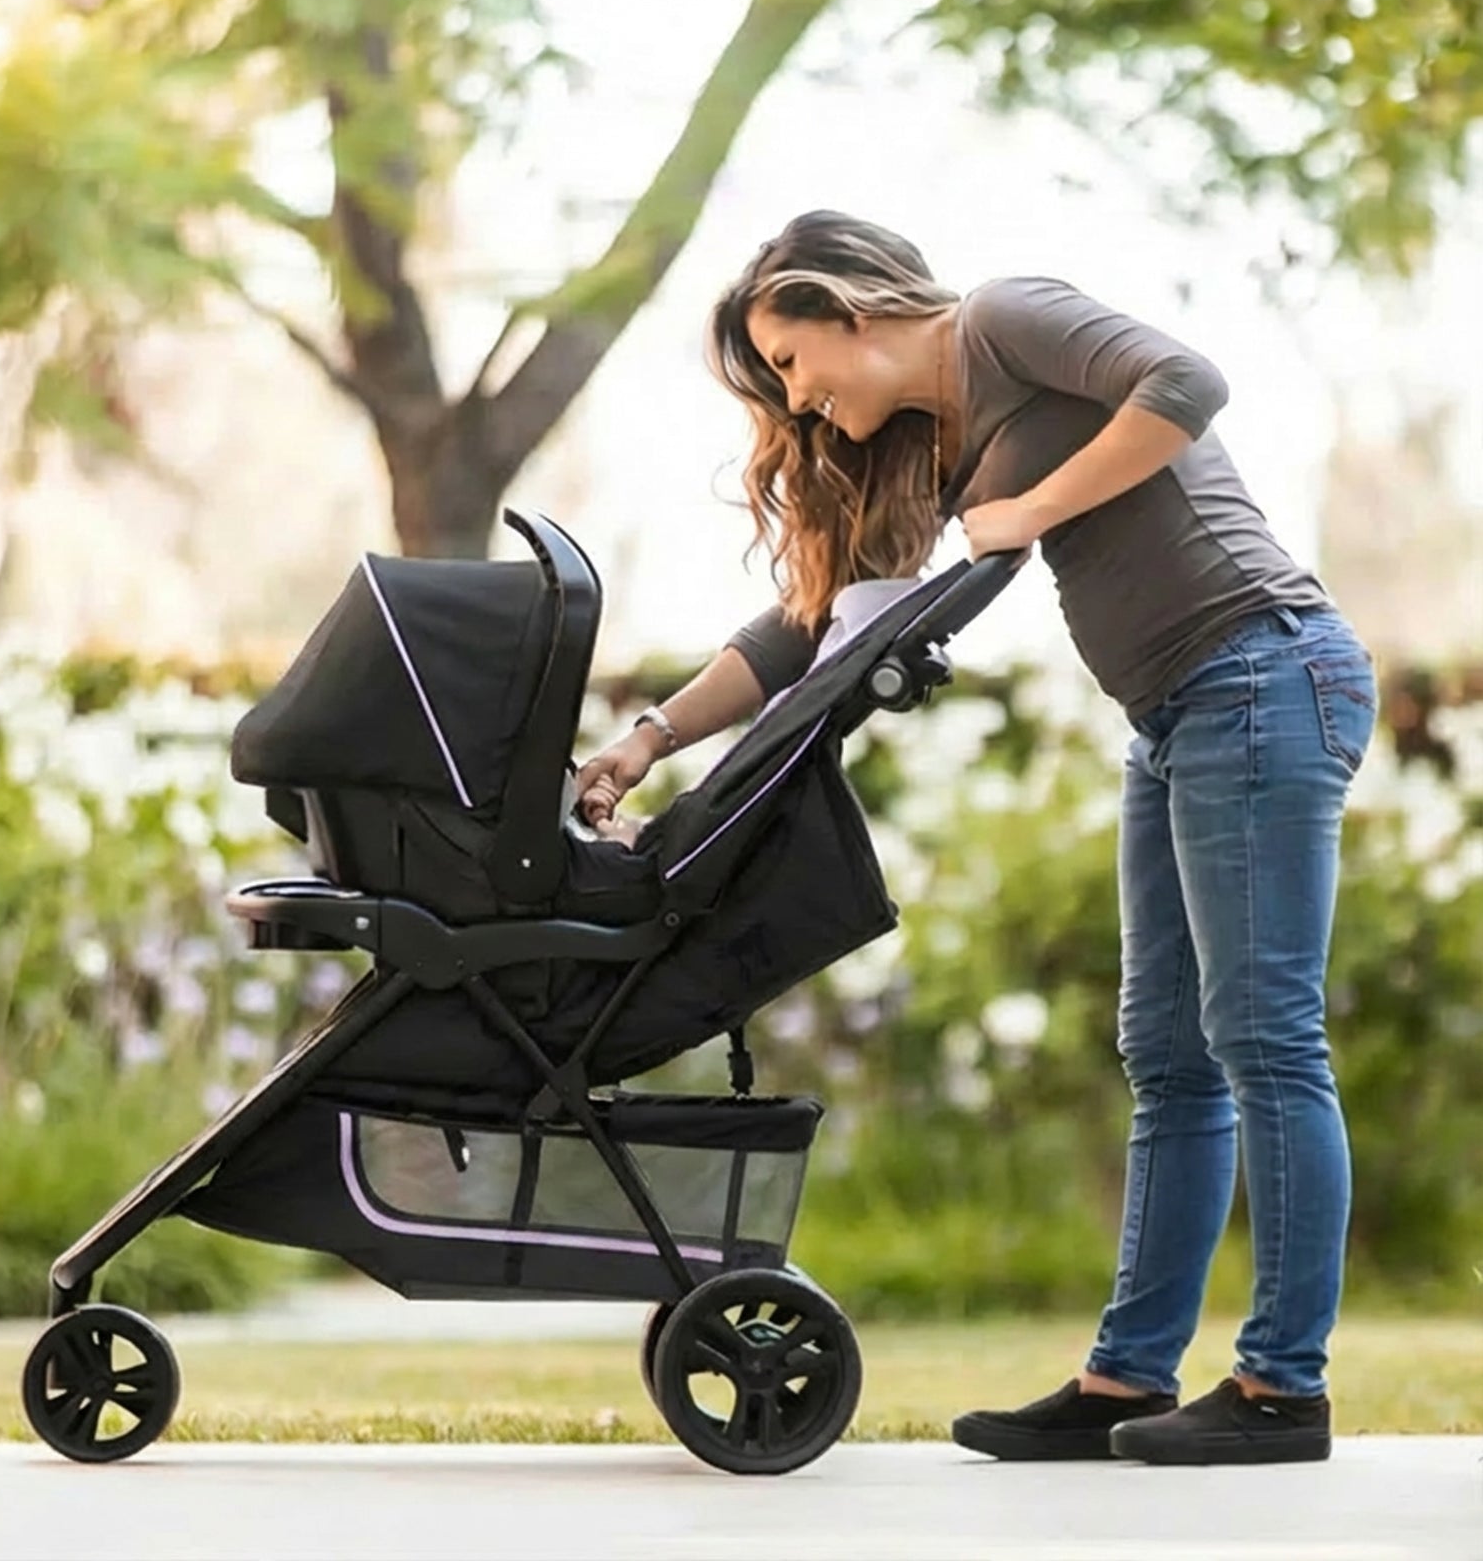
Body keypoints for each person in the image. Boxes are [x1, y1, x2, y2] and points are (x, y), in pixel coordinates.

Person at [575, 210, 1377, 1467]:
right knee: (1168, 1056)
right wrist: (649, 738)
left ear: (851, 311)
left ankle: (1283, 1390)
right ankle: (1125, 1379)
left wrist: (1034, 507)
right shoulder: (926, 451)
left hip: (1265, 672)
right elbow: (808, 625)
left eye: (791, 361)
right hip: (1174, 714)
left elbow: (1186, 383)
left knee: (1264, 1038)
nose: (797, 398)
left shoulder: (1001, 318)